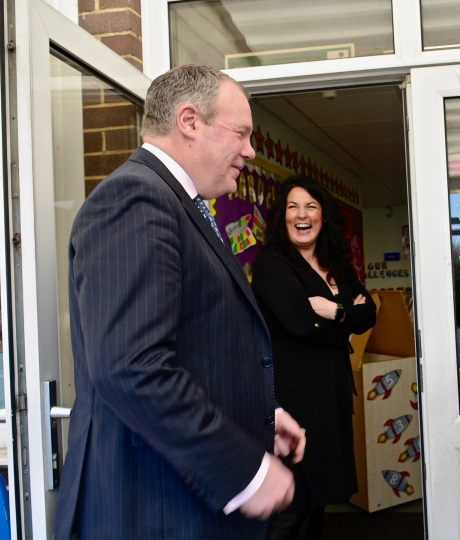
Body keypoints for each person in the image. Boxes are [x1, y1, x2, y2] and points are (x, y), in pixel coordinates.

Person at [53, 65, 307, 539]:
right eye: (242, 134)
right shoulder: (136, 199)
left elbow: (195, 345)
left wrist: (259, 416)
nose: (251, 151)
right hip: (154, 511)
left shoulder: (177, 204)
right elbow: (132, 366)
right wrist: (242, 468)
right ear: (190, 121)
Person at [251, 176, 377, 539]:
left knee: (317, 501)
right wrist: (346, 322)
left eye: (311, 206)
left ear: (323, 216)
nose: (301, 215)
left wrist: (334, 312)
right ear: (282, 216)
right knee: (292, 505)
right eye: (293, 207)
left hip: (331, 399)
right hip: (296, 403)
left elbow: (368, 313)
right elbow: (302, 325)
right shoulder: (273, 263)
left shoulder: (334, 263)